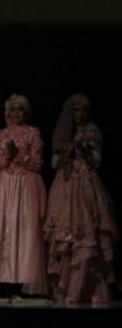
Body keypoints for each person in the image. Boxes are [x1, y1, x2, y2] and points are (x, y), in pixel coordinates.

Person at [44, 94, 117, 303]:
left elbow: (97, 162)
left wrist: (84, 152)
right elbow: (54, 163)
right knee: (66, 235)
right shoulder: (64, 133)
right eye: (76, 110)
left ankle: (88, 286)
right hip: (66, 185)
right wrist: (64, 153)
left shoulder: (92, 132)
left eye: (84, 110)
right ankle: (65, 285)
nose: (80, 114)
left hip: (86, 185)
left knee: (87, 233)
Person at [0, 94, 47, 296]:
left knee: (25, 228)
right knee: (2, 227)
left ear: (26, 112)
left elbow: (36, 163)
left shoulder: (32, 133)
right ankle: (2, 277)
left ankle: (23, 278)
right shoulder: (2, 134)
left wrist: (18, 155)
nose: (16, 113)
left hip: (24, 184)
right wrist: (7, 156)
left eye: (20, 109)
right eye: (13, 109)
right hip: (4, 185)